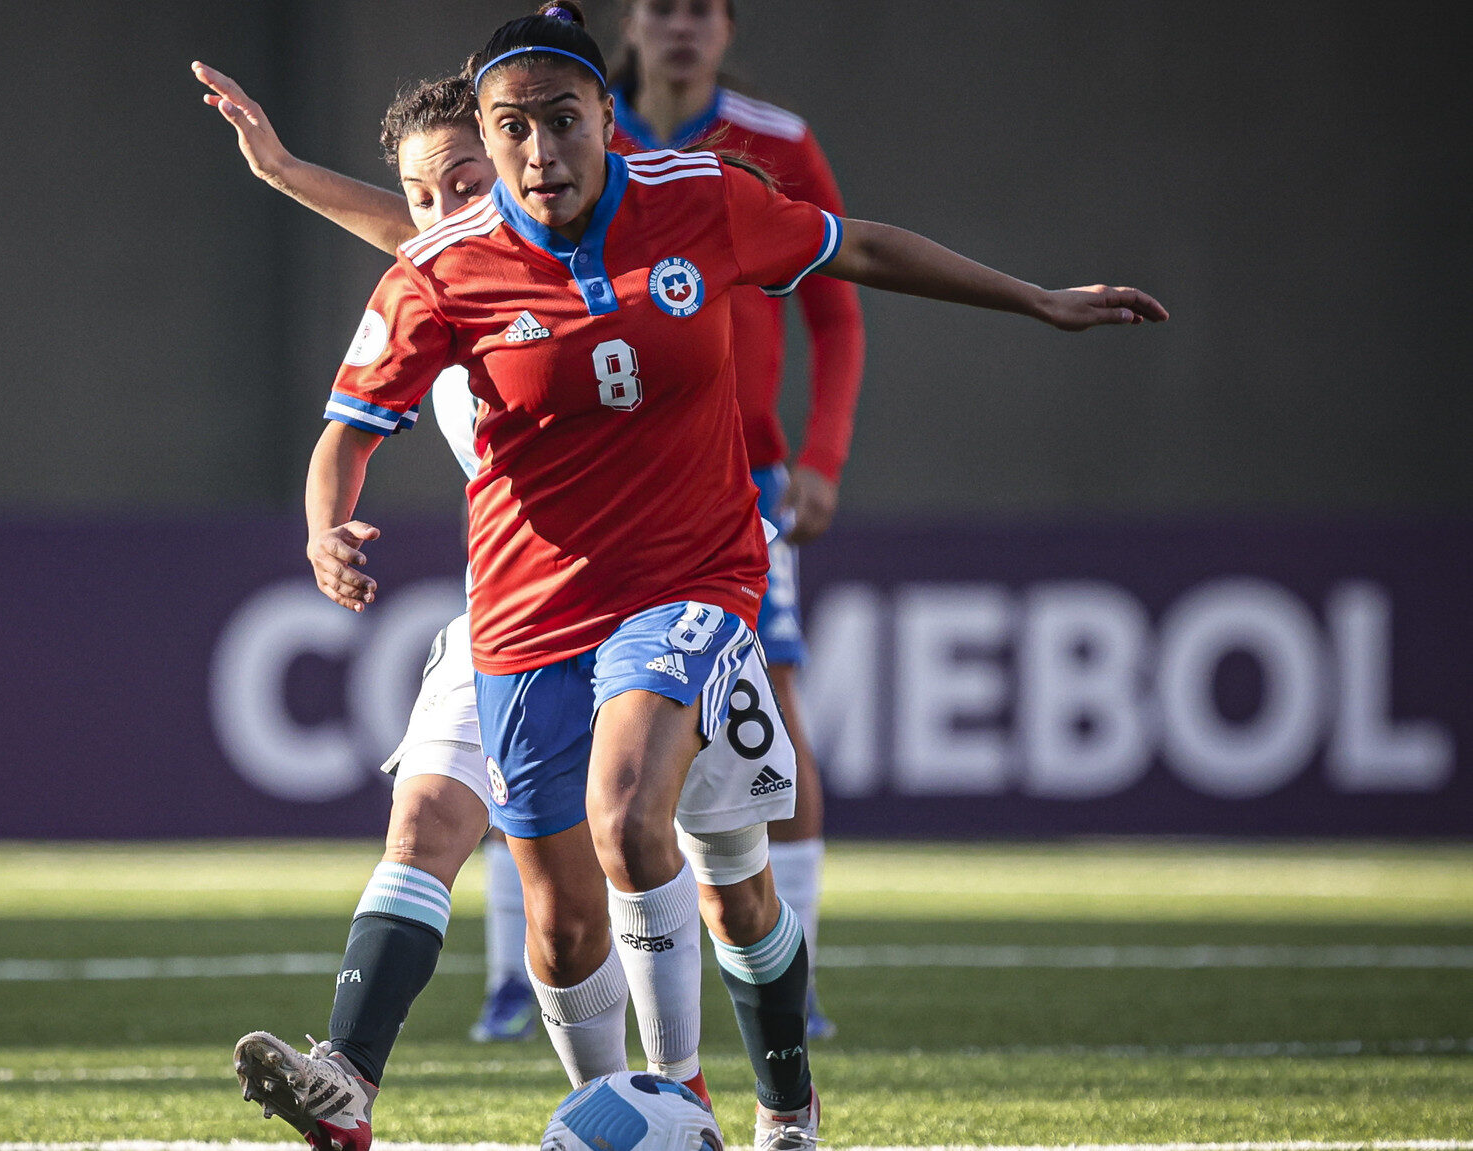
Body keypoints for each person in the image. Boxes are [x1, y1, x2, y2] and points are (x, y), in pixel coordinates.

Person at [288, 5, 1163, 1149]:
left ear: (610, 113)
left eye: (562, 119)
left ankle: (710, 1098)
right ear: (488, 139)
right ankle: (617, 1110)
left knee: (630, 810)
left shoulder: (700, 197)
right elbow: (348, 431)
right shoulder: (442, 273)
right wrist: (325, 529)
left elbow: (860, 248)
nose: (540, 151)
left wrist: (1033, 297)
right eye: (514, 130)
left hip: (693, 579)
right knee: (558, 919)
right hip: (526, 612)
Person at [196, 64, 805, 1149]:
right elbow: (414, 230)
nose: (435, 216)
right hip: (517, 616)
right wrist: (282, 170)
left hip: (667, 601)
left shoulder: (588, 244)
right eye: (422, 198)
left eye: (467, 181)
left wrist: (294, 174)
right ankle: (349, 1077)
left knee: (732, 891)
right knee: (444, 832)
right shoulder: (446, 276)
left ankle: (754, 1102)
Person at [608, 0, 862, 1040]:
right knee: (549, 722)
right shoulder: (572, 125)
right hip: (601, 475)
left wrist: (821, 456)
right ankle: (522, 973)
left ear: (725, 25)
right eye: (660, 6)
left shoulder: (775, 142)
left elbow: (837, 302)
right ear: (630, 19)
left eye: (699, 8)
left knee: (775, 712)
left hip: (738, 476)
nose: (679, 27)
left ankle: (791, 976)